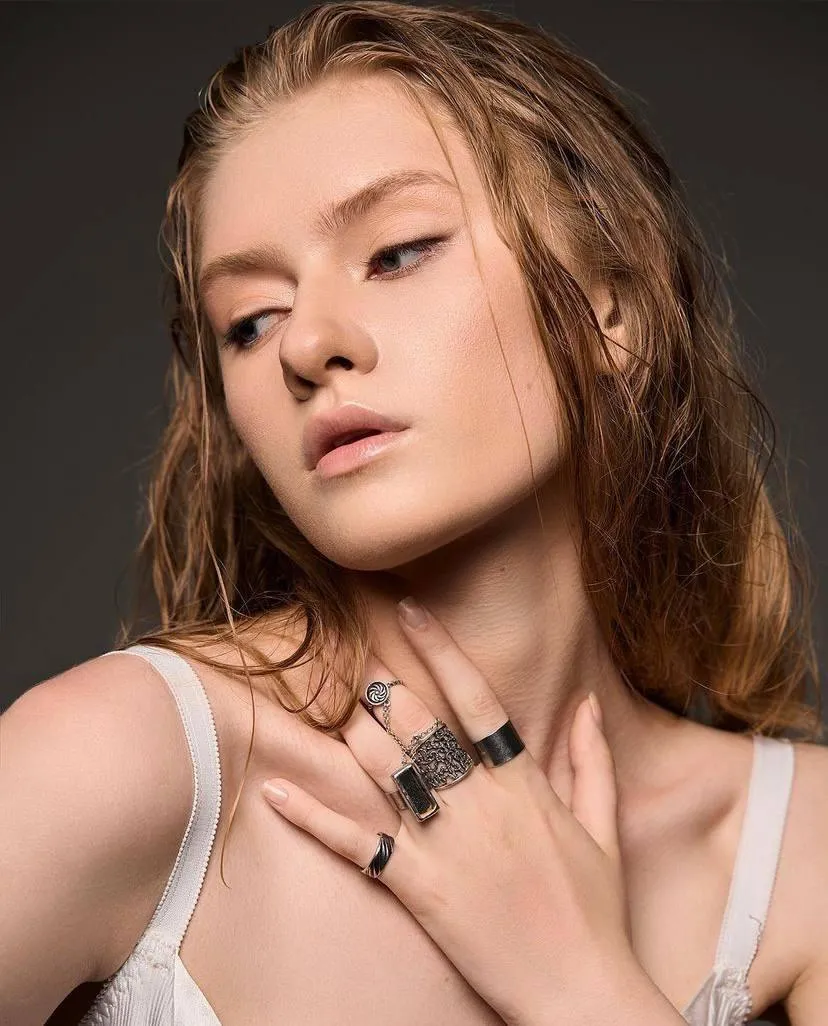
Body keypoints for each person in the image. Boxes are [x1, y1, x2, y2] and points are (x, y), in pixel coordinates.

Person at [3, 2, 826, 1024]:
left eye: (396, 253)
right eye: (251, 321)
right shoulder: (119, 762)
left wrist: (578, 979)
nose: (307, 346)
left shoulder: (802, 853)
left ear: (613, 311)